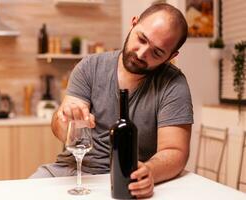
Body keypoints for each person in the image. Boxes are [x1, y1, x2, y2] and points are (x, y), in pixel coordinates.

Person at [31, 3, 193, 198]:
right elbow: (61, 129)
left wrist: (149, 171)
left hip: (126, 179)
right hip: (71, 172)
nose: (141, 54)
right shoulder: (90, 66)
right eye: (141, 39)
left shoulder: (173, 84)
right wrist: (64, 118)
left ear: (171, 56)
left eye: (157, 52)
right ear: (134, 23)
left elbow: (175, 151)